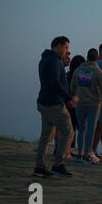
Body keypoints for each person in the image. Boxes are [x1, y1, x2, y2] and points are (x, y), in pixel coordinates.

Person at [34, 36, 77, 177]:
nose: (66, 51)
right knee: (68, 131)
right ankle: (59, 164)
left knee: (46, 136)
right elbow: (54, 83)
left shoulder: (45, 59)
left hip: (44, 102)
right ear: (58, 46)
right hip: (54, 103)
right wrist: (69, 97)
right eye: (66, 48)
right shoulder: (54, 60)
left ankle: (39, 167)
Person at [70, 49, 102, 163]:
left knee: (81, 128)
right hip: (94, 103)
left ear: (87, 56)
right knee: (91, 128)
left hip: (80, 103)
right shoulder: (99, 72)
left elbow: (72, 87)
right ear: (97, 58)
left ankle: (80, 153)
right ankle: (88, 153)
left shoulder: (78, 70)